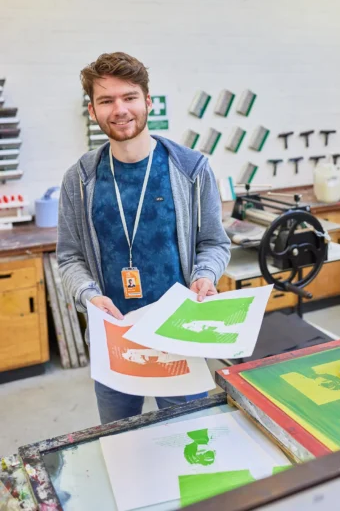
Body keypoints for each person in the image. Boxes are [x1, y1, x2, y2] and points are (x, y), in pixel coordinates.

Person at [57, 52, 231, 423]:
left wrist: (205, 275)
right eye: (106, 100)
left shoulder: (191, 168)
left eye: (129, 97)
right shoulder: (80, 179)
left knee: (189, 435)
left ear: (148, 102)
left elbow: (214, 243)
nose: (120, 109)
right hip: (115, 338)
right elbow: (70, 257)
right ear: (92, 110)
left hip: (179, 335)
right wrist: (89, 295)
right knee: (120, 438)